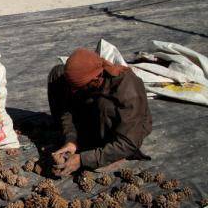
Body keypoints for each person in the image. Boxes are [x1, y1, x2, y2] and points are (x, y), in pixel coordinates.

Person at [47, 48, 152, 177]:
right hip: (93, 113)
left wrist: (82, 159)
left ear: (96, 79)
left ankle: (109, 154)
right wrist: (71, 139)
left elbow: (129, 142)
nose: (73, 92)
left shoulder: (128, 91)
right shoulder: (92, 81)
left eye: (77, 88)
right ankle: (79, 141)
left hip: (124, 135)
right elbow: (67, 105)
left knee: (104, 106)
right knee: (58, 74)